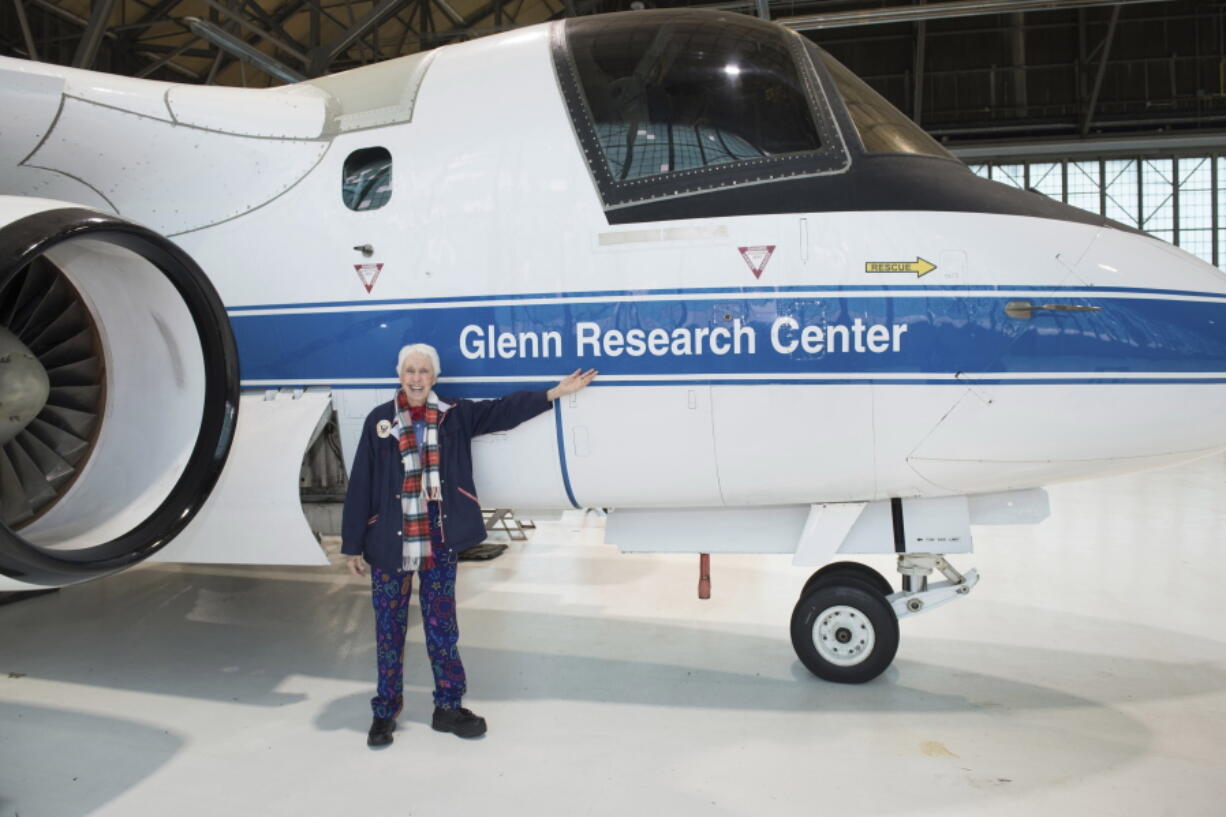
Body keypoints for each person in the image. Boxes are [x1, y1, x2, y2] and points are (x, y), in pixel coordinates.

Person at [341, 342, 596, 747]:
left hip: (438, 543)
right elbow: (360, 486)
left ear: (435, 378)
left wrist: (553, 394)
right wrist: (352, 544)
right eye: (410, 370)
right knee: (388, 631)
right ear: (400, 375)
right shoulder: (379, 422)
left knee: (443, 629)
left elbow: (503, 411)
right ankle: (385, 711)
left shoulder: (454, 416)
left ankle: (448, 706)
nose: (417, 378)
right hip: (390, 546)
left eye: (424, 371)